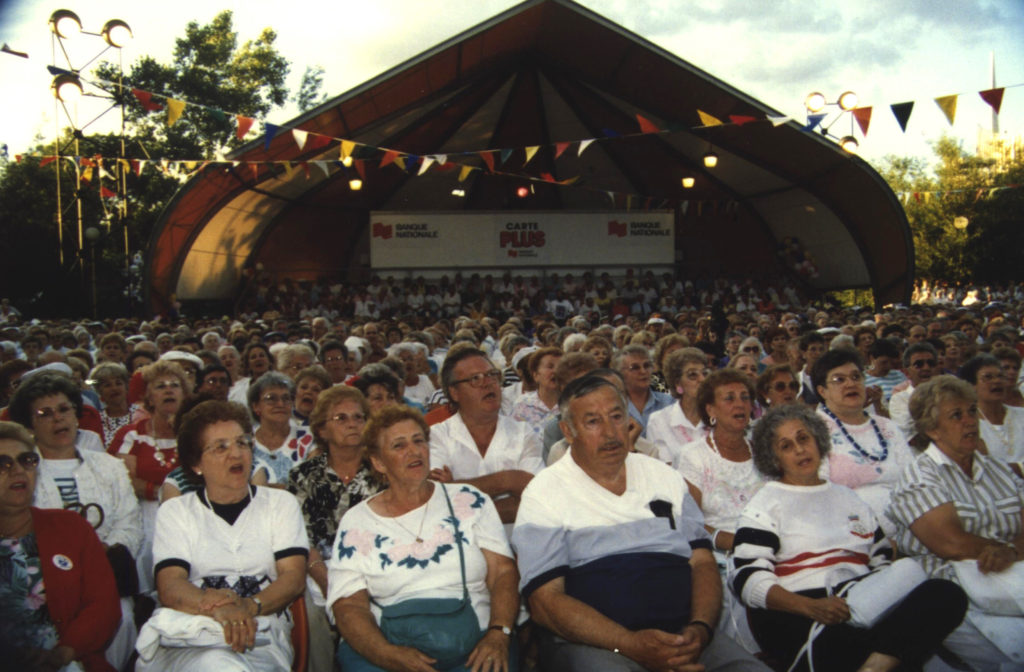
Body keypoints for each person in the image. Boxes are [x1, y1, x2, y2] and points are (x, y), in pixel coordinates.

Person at [512, 375, 767, 672]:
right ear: (568, 431)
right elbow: (546, 602)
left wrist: (699, 630)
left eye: (617, 417)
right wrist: (631, 645)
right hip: (599, 644)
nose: (610, 432)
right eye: (593, 421)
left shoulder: (664, 477)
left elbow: (702, 562)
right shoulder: (544, 493)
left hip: (683, 636)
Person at [731, 404, 967, 672]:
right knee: (894, 646)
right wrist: (811, 607)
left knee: (947, 594)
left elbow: (881, 562)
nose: (799, 449)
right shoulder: (765, 504)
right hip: (806, 618)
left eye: (803, 438)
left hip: (866, 607)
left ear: (818, 440)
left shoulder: (849, 498)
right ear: (772, 458)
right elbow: (747, 580)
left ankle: (875, 666)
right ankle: (887, 657)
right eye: (785, 446)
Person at [327, 405, 520, 672]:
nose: (414, 451)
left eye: (419, 440)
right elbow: (348, 604)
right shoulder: (357, 521)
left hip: (474, 645)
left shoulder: (469, 500)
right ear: (379, 462)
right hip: (388, 646)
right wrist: (386, 655)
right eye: (399, 445)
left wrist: (499, 633)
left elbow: (503, 572)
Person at [138, 400, 308, 671]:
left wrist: (248, 607)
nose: (236, 454)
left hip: (261, 632)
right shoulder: (176, 511)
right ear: (196, 464)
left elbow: (294, 578)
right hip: (192, 632)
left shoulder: (280, 504)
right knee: (213, 663)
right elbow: (170, 585)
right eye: (221, 447)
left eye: (242, 443)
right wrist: (217, 608)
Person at [888, 375, 1024, 669]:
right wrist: (1008, 548)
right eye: (956, 415)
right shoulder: (920, 477)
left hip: (1012, 571)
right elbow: (952, 544)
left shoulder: (999, 470)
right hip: (958, 590)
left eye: (972, 411)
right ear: (932, 429)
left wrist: (1011, 552)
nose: (970, 421)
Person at [0, 421, 121, 672]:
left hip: (65, 662)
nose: (18, 471)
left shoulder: (71, 528)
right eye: (3, 464)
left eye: (27, 460)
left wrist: (65, 651)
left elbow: (104, 605)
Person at [287, 386, 385, 672]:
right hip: (319, 570)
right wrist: (328, 580)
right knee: (306, 601)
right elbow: (300, 540)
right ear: (322, 430)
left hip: (375, 569)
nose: (352, 423)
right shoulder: (303, 476)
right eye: (341, 418)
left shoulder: (384, 470)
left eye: (358, 417)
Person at [429, 348, 543, 525]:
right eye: (475, 379)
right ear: (454, 393)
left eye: (491, 375)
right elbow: (436, 498)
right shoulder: (436, 436)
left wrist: (456, 489)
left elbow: (536, 499)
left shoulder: (523, 433)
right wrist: (508, 480)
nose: (488, 383)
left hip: (517, 547)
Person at [812, 349, 913, 533]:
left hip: (907, 526)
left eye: (856, 377)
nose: (850, 383)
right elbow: (820, 494)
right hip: (849, 532)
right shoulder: (813, 431)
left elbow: (913, 481)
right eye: (839, 380)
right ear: (822, 391)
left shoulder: (888, 427)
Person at [680, 369, 765, 555]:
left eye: (745, 397)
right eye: (729, 398)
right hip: (718, 553)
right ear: (711, 409)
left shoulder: (764, 451)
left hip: (770, 546)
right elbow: (689, 523)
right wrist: (737, 542)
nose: (740, 405)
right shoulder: (693, 456)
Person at [961, 353, 1024, 477]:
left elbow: (988, 467)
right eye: (988, 377)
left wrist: (1007, 468)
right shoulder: (967, 425)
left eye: (1001, 376)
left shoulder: (1021, 415)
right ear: (971, 386)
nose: (997, 381)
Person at [647, 347, 709, 468]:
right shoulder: (659, 421)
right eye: (692, 375)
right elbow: (665, 470)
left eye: (704, 373)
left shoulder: (718, 417)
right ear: (678, 384)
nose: (702, 379)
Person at [248, 372, 314, 485]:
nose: (280, 404)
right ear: (256, 406)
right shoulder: (245, 442)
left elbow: (312, 485)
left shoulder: (309, 438)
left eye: (286, 398)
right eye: (271, 398)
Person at [614, 344, 674, 436]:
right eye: (635, 367)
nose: (643, 371)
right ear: (620, 373)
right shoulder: (614, 406)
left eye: (647, 366)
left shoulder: (669, 402)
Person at [887, 342, 938, 438]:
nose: (926, 368)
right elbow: (911, 436)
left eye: (931, 363)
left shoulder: (947, 395)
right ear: (907, 372)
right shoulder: (900, 399)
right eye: (919, 365)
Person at [511, 347, 563, 437]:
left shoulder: (573, 404)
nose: (556, 371)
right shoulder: (522, 405)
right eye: (550, 367)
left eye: (561, 367)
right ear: (535, 375)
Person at [89, 362, 142, 447]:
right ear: (99, 391)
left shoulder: (141, 413)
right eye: (107, 385)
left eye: (118, 383)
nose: (114, 388)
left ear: (126, 387)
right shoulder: (96, 419)